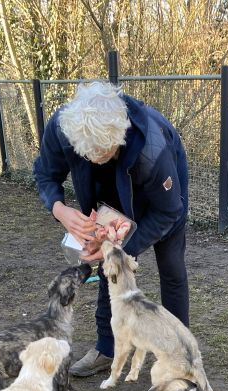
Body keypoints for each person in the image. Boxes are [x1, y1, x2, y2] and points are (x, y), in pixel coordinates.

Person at [33, 81, 190, 376]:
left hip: (159, 189)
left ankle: (179, 356)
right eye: (88, 154)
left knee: (171, 266)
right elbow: (44, 173)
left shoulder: (152, 150)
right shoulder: (63, 128)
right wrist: (60, 210)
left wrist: (122, 246)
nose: (95, 158)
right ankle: (108, 347)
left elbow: (168, 211)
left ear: (120, 133)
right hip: (107, 192)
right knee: (110, 266)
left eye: (103, 153)